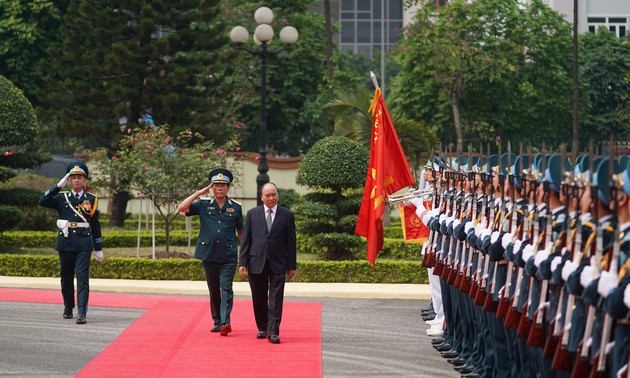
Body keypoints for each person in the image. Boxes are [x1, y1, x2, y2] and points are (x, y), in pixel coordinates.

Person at [178, 168, 243, 336]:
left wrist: (244, 256)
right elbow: (182, 208)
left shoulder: (235, 208)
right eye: (216, 185)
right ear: (211, 188)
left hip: (228, 255)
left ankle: (225, 322)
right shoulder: (203, 204)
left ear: (228, 188)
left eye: (223, 185)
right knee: (213, 288)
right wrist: (199, 192)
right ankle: (217, 321)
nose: (219, 188)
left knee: (226, 288)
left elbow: (241, 233)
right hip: (209, 253)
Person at [38, 161, 103, 324]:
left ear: (85, 180)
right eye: (72, 177)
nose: (76, 181)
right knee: (66, 278)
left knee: (82, 278)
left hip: (83, 243)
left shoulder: (91, 199)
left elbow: (95, 224)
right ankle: (68, 306)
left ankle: (82, 312)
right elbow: (42, 200)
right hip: (66, 242)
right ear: (69, 180)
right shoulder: (61, 198)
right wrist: (59, 184)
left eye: (80, 177)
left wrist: (98, 247)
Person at [238, 182, 297, 344]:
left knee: (276, 298)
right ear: (261, 197)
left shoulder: (287, 215)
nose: (271, 198)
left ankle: (274, 331)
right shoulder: (252, 214)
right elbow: (246, 241)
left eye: (274, 194)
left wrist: (292, 265)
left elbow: (291, 242)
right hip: (256, 261)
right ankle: (262, 328)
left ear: (278, 195)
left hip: (279, 262)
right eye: (268, 195)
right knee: (259, 297)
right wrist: (242, 262)